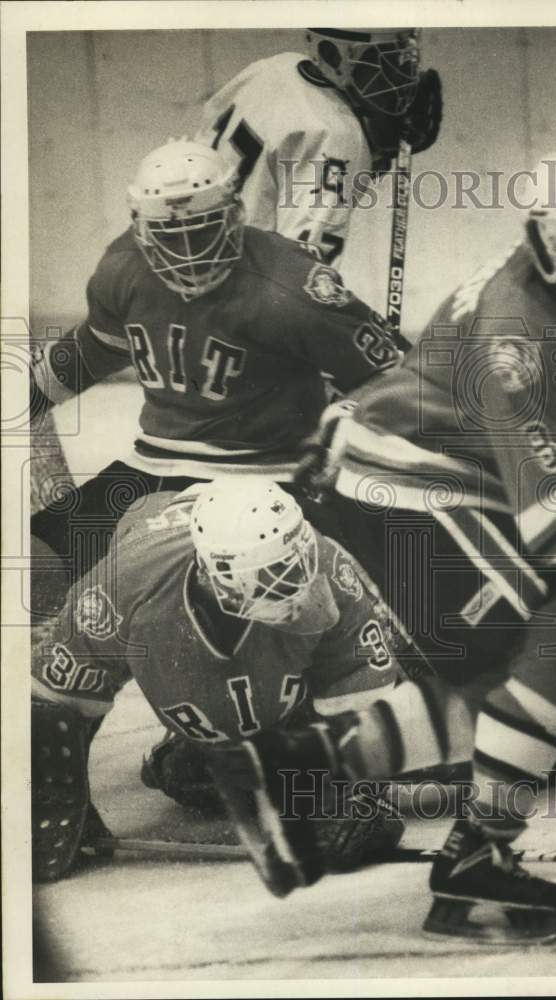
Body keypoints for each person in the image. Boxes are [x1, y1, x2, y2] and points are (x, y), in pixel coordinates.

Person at [204, 152, 556, 942]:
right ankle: (441, 843)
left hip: (413, 474)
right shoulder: (516, 335)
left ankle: (305, 769)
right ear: (545, 242)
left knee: (522, 673)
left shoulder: (555, 288)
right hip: (404, 482)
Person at [29, 138, 402, 605]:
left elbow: (396, 381)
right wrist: (23, 394)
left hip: (272, 474)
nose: (187, 252)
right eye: (169, 234)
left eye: (201, 230)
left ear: (233, 213)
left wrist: (345, 430)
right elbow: (95, 350)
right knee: (31, 565)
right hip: (154, 464)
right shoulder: (120, 267)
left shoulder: (292, 284)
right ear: (140, 228)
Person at [30, 478, 409, 883]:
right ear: (220, 578)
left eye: (299, 559)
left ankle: (215, 751)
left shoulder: (329, 564)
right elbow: (54, 701)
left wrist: (354, 789)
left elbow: (358, 685)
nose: (302, 585)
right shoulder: (120, 589)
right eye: (275, 574)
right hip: (157, 570)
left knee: (377, 778)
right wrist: (54, 797)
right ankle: (186, 750)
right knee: (194, 771)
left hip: (288, 693)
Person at [196, 28, 442, 264]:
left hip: (187, 250)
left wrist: (375, 146)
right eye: (386, 62)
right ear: (333, 56)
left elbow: (200, 145)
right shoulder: (337, 139)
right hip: (241, 285)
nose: (403, 78)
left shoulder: (275, 67)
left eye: (403, 60)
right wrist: (366, 149)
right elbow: (304, 273)